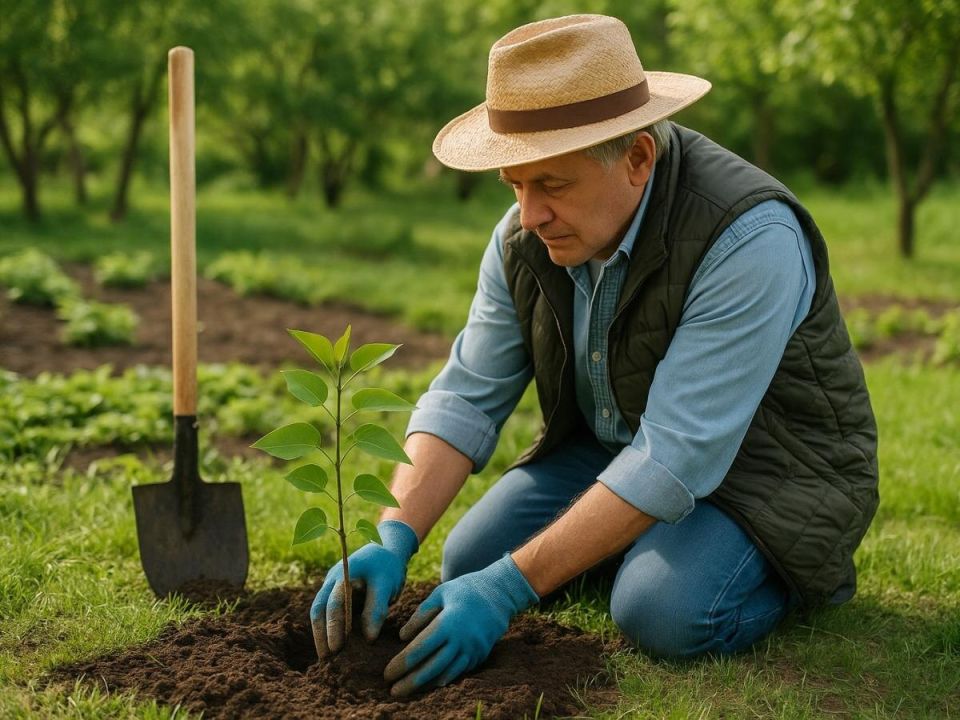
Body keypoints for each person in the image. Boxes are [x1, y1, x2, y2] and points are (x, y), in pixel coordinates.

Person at [311, 14, 879, 698]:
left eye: (551, 184)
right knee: (467, 558)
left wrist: (512, 586)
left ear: (638, 159)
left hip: (774, 472)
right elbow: (468, 393)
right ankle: (629, 545)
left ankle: (780, 579)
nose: (529, 215)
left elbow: (675, 455)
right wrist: (394, 535)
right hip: (618, 445)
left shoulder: (747, 236)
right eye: (514, 184)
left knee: (659, 612)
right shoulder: (523, 239)